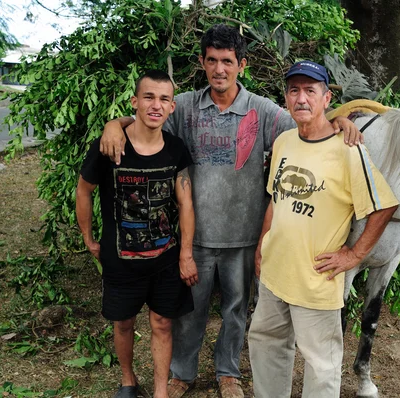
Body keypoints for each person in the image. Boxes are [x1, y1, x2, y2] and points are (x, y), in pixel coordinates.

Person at [100, 24, 362, 398]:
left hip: (245, 235)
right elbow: (148, 119)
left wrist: (338, 120)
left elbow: (308, 125)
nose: (219, 69)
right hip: (197, 236)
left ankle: (228, 372)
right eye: (212, 61)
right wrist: (116, 123)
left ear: (242, 64)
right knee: (190, 311)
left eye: (227, 61)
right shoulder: (186, 106)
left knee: (236, 311)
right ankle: (182, 372)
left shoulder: (264, 111)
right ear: (202, 63)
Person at [248, 61, 399, 397]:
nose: (301, 98)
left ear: (326, 97)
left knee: (321, 365)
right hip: (275, 273)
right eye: (294, 90)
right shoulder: (285, 142)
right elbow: (276, 198)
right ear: (286, 97)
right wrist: (262, 245)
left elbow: (384, 205)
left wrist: (354, 254)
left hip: (316, 279)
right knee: (266, 344)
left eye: (310, 90)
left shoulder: (348, 150)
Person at [76, 70, 197, 398]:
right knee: (124, 323)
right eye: (148, 97)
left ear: (172, 107)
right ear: (135, 102)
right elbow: (84, 190)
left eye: (163, 99)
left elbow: (185, 203)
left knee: (162, 324)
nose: (155, 105)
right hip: (121, 259)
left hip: (165, 259)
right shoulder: (109, 146)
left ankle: (160, 392)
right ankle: (128, 381)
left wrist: (185, 253)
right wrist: (88, 238)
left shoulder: (176, 149)